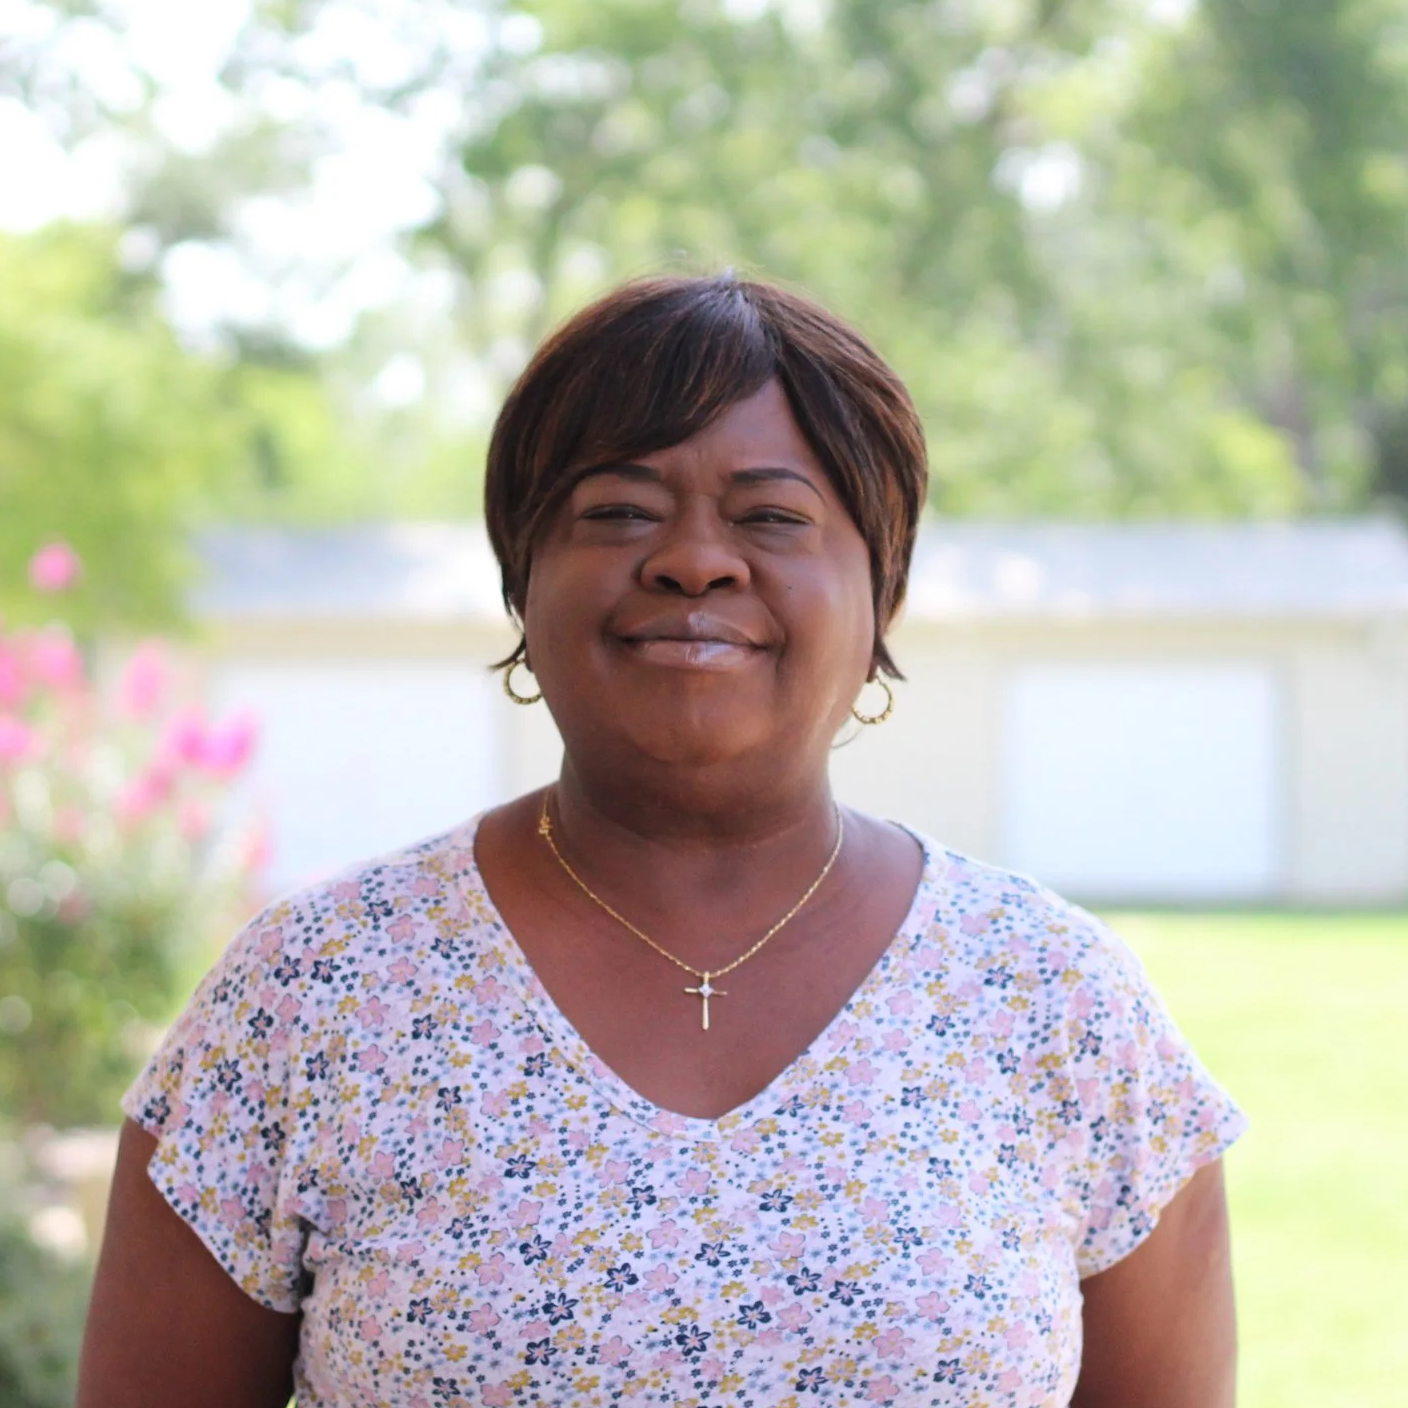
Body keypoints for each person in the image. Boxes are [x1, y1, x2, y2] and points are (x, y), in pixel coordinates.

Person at [79, 275, 1245, 1408]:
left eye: (773, 516)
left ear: (881, 593)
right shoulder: (314, 992)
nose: (693, 558)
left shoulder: (1055, 999)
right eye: (620, 511)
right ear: (522, 584)